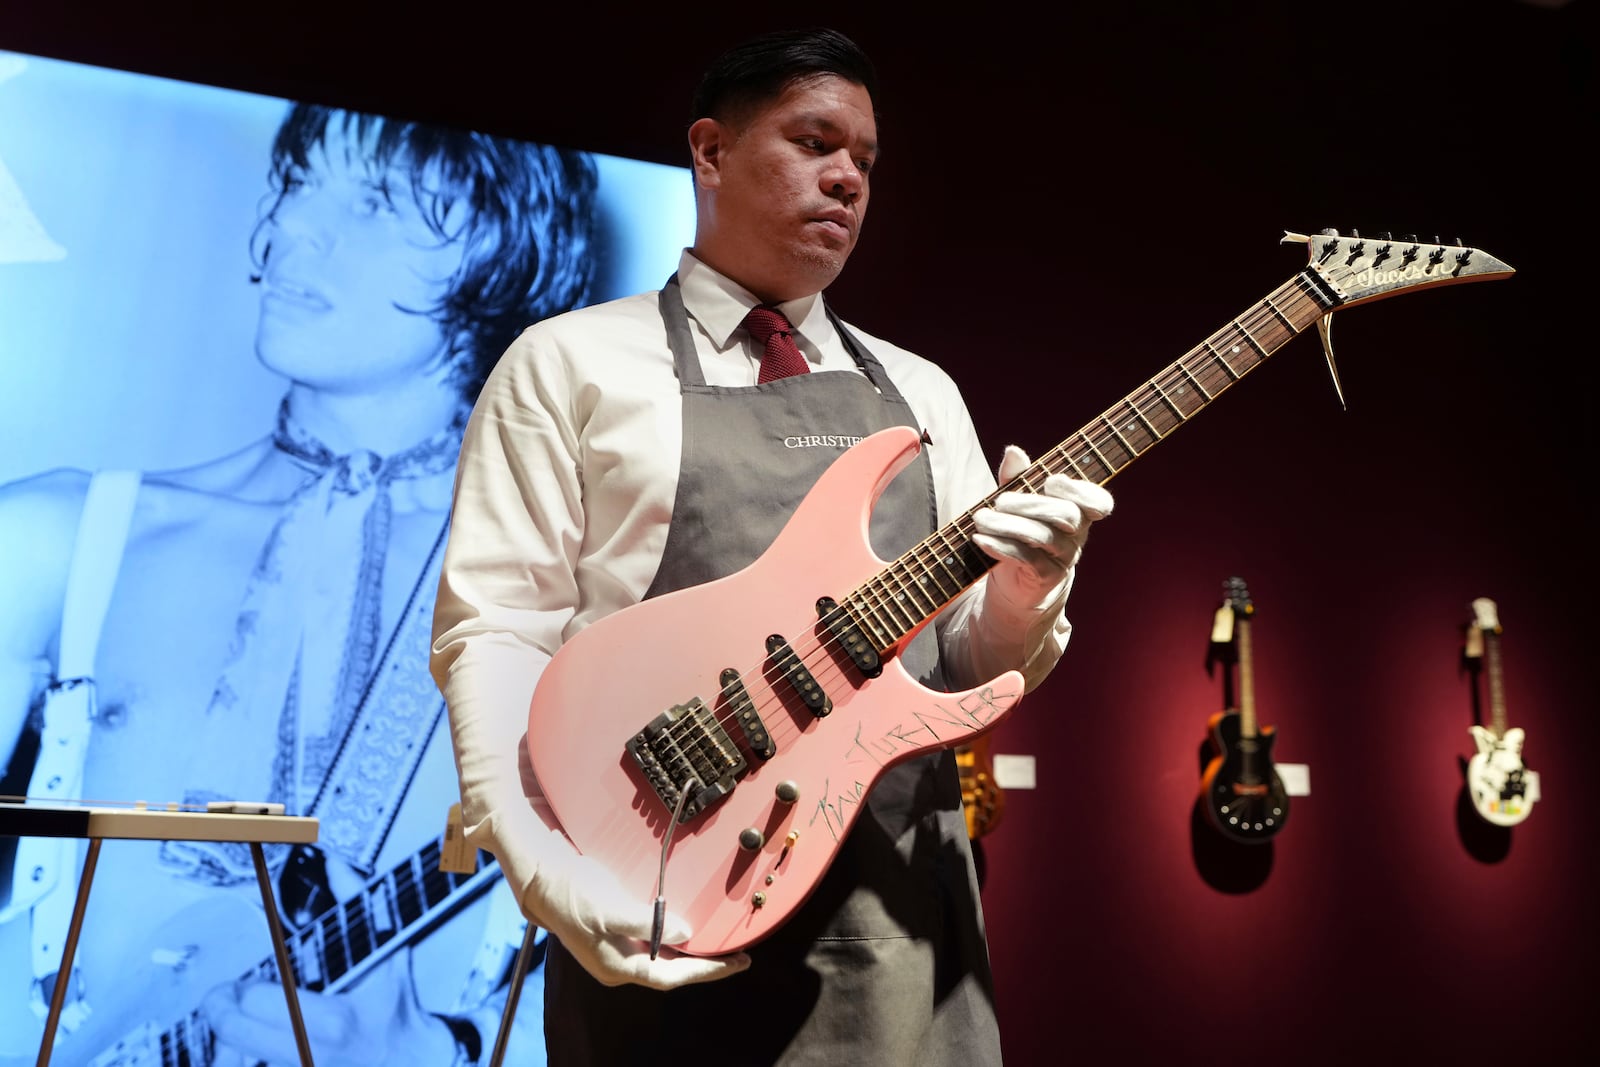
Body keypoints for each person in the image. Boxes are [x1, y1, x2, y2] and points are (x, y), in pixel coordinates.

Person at [430, 26, 1115, 1064]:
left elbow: (972, 662)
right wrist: (537, 866)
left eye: (867, 162)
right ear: (710, 152)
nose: (847, 178)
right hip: (654, 903)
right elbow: (495, 628)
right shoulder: (567, 364)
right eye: (814, 141)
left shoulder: (923, 392)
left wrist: (1030, 587)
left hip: (894, 916)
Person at [0, 102, 597, 1065]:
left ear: (502, 251)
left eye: (371, 203)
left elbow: (657, 996)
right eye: (296, 184)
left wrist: (441, 1051)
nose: (288, 230)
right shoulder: (55, 540)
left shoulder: (585, 623)